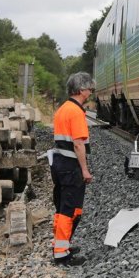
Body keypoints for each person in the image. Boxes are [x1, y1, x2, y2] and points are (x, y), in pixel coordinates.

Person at [50, 72, 96, 266]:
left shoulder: (63, 109)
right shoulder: (76, 112)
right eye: (89, 89)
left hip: (59, 164)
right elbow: (78, 144)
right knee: (70, 209)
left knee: (64, 207)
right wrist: (85, 170)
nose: (90, 92)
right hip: (70, 167)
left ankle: (62, 244)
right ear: (80, 90)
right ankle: (61, 254)